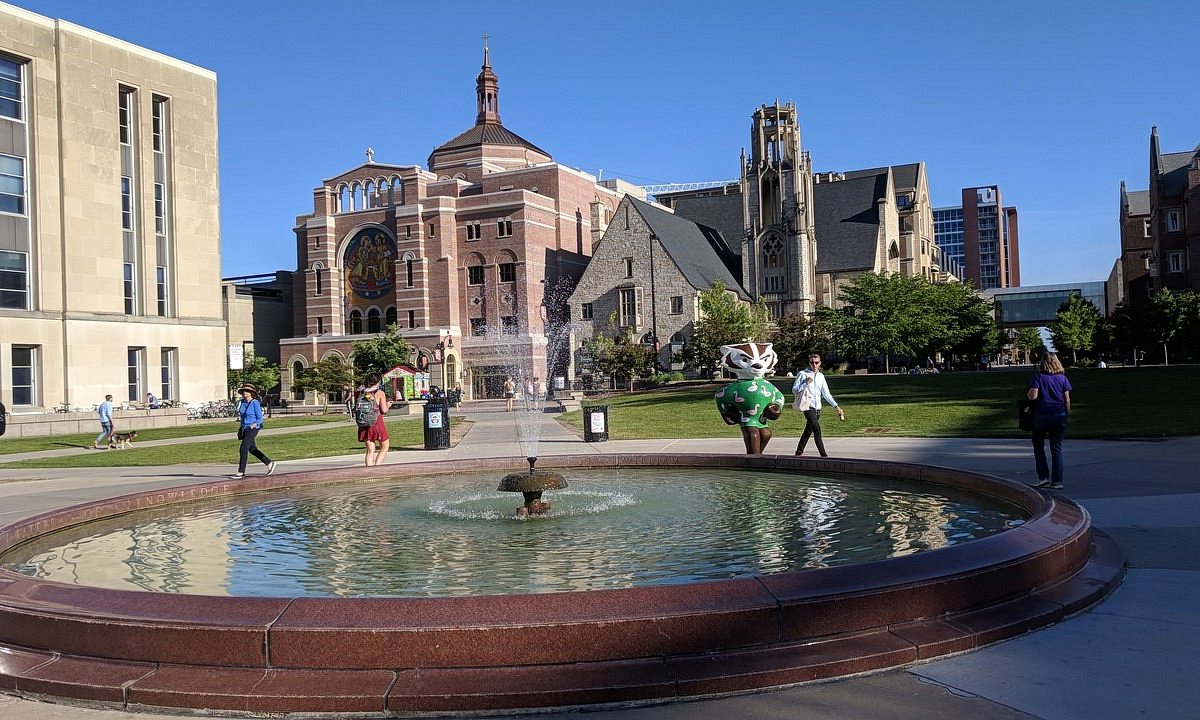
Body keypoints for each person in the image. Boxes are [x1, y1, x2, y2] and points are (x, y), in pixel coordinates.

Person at [1027, 353, 1072, 490]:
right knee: (1056, 448)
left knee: (1038, 445)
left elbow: (1033, 396)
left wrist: (1029, 393)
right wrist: (1066, 414)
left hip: (1042, 414)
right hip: (1059, 414)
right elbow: (1067, 400)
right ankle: (1057, 481)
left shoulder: (1038, 378)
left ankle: (1043, 477)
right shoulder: (1063, 379)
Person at [792, 353, 845, 457]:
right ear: (809, 363)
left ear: (820, 363)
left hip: (818, 408)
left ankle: (798, 452)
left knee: (808, 431)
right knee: (817, 430)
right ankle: (824, 455)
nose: (814, 365)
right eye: (812, 362)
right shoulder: (803, 374)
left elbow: (826, 394)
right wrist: (805, 383)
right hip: (808, 406)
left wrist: (836, 406)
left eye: (816, 362)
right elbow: (794, 390)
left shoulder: (821, 376)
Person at [232, 384, 276, 479]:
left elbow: (260, 418)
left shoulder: (255, 403)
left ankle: (241, 471)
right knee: (252, 449)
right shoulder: (242, 403)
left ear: (251, 393)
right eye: (243, 391)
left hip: (253, 428)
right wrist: (241, 427)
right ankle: (269, 463)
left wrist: (255, 424)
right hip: (245, 428)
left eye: (247, 391)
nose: (244, 393)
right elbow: (242, 416)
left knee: (243, 448)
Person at [358, 371, 391, 466]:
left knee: (370, 450)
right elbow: (384, 410)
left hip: (364, 422)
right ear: (378, 382)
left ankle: (369, 470)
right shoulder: (379, 393)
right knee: (385, 446)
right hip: (376, 422)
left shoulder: (362, 392)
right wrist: (388, 405)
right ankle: (377, 467)